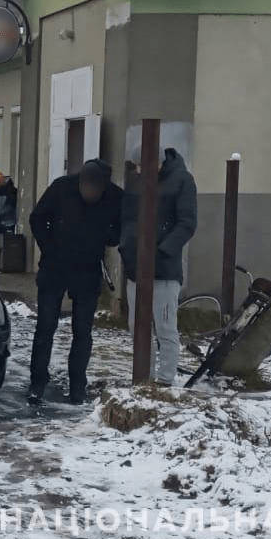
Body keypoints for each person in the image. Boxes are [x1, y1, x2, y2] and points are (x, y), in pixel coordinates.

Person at [28, 159, 123, 404]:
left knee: (82, 331)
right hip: (55, 267)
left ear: (103, 188)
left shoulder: (114, 197)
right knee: (45, 327)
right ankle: (38, 382)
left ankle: (77, 386)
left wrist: (106, 236)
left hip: (88, 270)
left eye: (94, 189)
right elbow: (37, 218)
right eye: (85, 187)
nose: (88, 193)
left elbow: (122, 229)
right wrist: (49, 249)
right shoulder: (61, 187)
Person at [119, 148, 198, 386]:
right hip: (135, 267)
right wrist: (127, 248)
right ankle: (144, 376)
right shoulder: (136, 180)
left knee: (165, 327)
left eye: (144, 166)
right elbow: (128, 217)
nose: (141, 171)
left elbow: (187, 222)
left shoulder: (182, 180)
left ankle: (164, 380)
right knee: (137, 327)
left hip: (164, 269)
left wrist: (162, 251)